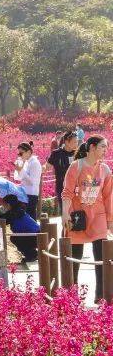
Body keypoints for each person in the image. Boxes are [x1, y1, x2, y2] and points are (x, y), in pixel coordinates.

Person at [62, 136, 113, 303]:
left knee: (102, 257)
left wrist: (110, 220)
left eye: (106, 147)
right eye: (102, 147)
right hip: (78, 216)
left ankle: (101, 295)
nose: (106, 150)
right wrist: (65, 213)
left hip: (98, 217)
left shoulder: (105, 169)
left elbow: (108, 197)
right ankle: (72, 295)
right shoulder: (76, 166)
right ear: (92, 147)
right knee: (75, 256)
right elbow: (67, 193)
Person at [0, 194, 40, 263]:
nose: (3, 207)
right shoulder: (18, 210)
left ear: (8, 205)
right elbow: (4, 216)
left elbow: (2, 219)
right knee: (15, 237)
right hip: (36, 235)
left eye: (3, 205)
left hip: (35, 237)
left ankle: (32, 255)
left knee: (14, 238)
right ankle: (31, 254)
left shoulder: (14, 213)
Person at [45, 130, 78, 213]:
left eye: (76, 142)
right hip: (62, 187)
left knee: (76, 212)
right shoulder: (56, 153)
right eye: (74, 142)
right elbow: (47, 166)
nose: (76, 144)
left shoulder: (77, 154)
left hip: (76, 188)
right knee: (65, 211)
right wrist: (42, 168)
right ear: (66, 141)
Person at [14, 141, 42, 219]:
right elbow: (17, 178)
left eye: (21, 153)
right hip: (24, 193)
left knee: (30, 218)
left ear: (29, 152)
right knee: (25, 219)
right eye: (18, 154)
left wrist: (21, 170)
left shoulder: (35, 163)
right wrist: (18, 169)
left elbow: (32, 182)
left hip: (31, 195)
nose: (19, 155)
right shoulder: (25, 162)